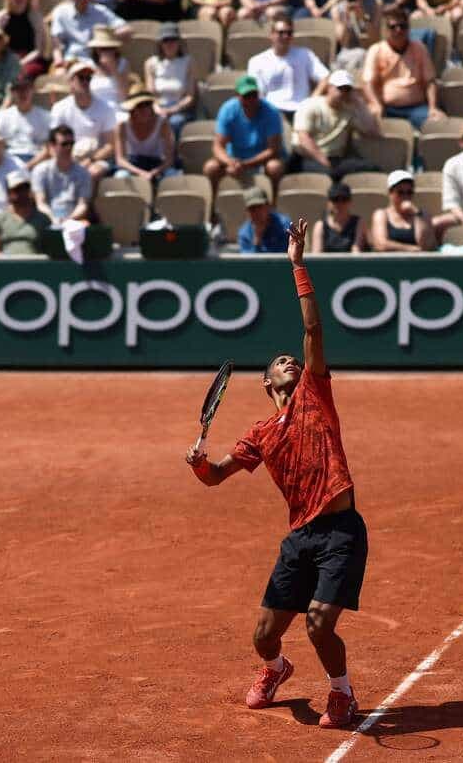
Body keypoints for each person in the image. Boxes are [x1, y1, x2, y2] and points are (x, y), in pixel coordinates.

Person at [185, 219, 369, 729]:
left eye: (293, 360)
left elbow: (312, 329)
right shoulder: (262, 432)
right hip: (299, 538)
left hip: (340, 531)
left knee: (317, 624)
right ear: (267, 382)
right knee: (264, 635)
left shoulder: (316, 393)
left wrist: (297, 263)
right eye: (281, 362)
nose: (291, 361)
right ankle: (275, 669)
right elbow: (217, 475)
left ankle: (342, 693)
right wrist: (200, 464)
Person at [361, 8, 444, 130]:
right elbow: (368, 83)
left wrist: (433, 107)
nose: (398, 30)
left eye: (402, 26)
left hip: (416, 108)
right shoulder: (376, 50)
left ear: (408, 28)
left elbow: (430, 81)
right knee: (367, 121)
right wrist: (376, 104)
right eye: (393, 27)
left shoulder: (419, 48)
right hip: (386, 108)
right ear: (386, 30)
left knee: (439, 123)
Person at [205, 75, 287, 197]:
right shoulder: (228, 110)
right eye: (246, 96)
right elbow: (217, 146)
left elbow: (273, 149)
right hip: (234, 158)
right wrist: (230, 162)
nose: (250, 100)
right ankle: (212, 208)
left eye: (253, 95)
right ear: (237, 96)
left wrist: (246, 164)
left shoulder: (271, 112)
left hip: (262, 159)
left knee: (274, 167)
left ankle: (274, 204)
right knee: (211, 167)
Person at [290, 70, 382, 178]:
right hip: (308, 157)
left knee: (373, 169)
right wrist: (325, 162)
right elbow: (304, 139)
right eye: (339, 88)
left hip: (336, 159)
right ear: (329, 88)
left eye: (347, 89)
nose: (343, 92)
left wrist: (359, 103)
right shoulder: (310, 105)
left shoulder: (349, 110)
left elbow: (373, 133)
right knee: (331, 175)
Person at [50, 61, 118, 182]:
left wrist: (90, 160)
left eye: (88, 78)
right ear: (71, 81)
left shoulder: (106, 108)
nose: (85, 82)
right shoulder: (59, 108)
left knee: (91, 173)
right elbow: (53, 142)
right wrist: (67, 161)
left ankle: (85, 201)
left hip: (96, 158)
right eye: (81, 78)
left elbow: (109, 146)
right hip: (67, 155)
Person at [249, 19, 330, 116]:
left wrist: (311, 101)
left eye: (289, 33)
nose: (285, 36)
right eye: (281, 33)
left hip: (301, 110)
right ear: (271, 35)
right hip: (272, 111)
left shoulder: (305, 54)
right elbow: (257, 93)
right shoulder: (257, 61)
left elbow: (326, 77)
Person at [51, 0, 131, 67]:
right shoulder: (61, 13)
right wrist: (59, 61)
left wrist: (108, 36)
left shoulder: (100, 11)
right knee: (58, 75)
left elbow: (126, 29)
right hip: (72, 60)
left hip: (98, 61)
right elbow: (56, 43)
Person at [145, 22, 197, 139]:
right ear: (160, 43)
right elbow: (150, 94)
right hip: (157, 108)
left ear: (179, 42)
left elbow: (190, 97)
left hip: (180, 109)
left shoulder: (188, 62)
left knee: (174, 123)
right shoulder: (150, 63)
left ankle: (173, 156)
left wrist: (172, 110)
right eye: (165, 40)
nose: (169, 44)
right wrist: (157, 108)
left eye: (173, 40)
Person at [32, 125, 93, 225]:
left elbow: (83, 204)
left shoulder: (83, 173)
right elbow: (40, 203)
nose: (69, 147)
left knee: (86, 224)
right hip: (47, 219)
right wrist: (53, 218)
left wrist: (69, 219)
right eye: (64, 144)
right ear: (52, 146)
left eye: (71, 143)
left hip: (73, 219)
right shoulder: (40, 171)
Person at [116, 89, 179, 184]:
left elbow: (169, 159)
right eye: (140, 106)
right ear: (132, 110)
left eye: (148, 104)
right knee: (120, 177)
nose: (145, 109)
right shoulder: (122, 125)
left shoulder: (162, 123)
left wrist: (154, 172)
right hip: (133, 164)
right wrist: (140, 173)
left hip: (157, 164)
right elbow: (120, 160)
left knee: (173, 176)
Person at [0, 0, 49, 80]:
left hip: (31, 60)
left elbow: (38, 50)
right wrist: (0, 29)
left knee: (22, 74)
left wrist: (20, 63)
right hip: (7, 59)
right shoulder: (0, 18)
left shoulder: (35, 18)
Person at [329, 0, 380, 72]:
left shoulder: (374, 5)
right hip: (347, 55)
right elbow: (344, 43)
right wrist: (347, 19)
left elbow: (374, 40)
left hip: (370, 53)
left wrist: (363, 17)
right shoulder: (336, 9)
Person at [0, 171, 51, 255]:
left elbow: (50, 250)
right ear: (8, 192)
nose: (22, 193)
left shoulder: (43, 219)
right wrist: (5, 261)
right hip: (7, 265)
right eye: (17, 189)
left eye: (25, 188)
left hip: (35, 264)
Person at [0, 76, 51, 167]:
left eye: (26, 89)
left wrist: (28, 166)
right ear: (12, 93)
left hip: (36, 160)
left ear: (32, 90)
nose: (22, 93)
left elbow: (48, 148)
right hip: (9, 160)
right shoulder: (4, 115)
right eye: (18, 90)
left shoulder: (45, 116)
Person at [372, 169, 435, 250]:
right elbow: (381, 244)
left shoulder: (423, 215)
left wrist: (417, 214)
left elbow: (425, 245)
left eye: (409, 192)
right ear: (390, 193)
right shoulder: (381, 214)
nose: (405, 197)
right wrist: (411, 249)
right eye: (400, 192)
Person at [88, 26, 134, 113]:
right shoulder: (88, 65)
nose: (107, 52)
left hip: (117, 110)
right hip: (95, 111)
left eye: (110, 48)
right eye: (103, 49)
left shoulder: (123, 64)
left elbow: (124, 96)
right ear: (96, 50)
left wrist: (113, 68)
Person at [312, 182, 366, 252]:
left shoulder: (359, 223)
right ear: (328, 203)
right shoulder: (320, 226)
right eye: (335, 199)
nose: (340, 204)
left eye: (344, 199)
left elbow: (356, 252)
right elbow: (317, 256)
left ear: (350, 201)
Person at [238, 186, 290, 252]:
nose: (257, 212)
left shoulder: (284, 226)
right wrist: (257, 241)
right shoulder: (244, 234)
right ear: (247, 212)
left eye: (259, 207)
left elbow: (287, 256)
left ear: (268, 206)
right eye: (252, 208)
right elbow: (248, 261)